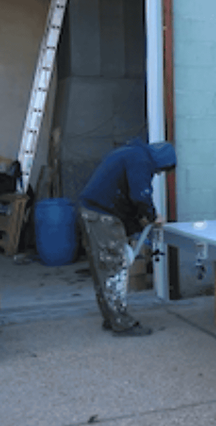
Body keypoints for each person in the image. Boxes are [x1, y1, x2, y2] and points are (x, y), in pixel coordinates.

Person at [77, 139, 176, 337]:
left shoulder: (132, 152)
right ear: (161, 162)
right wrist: (152, 216)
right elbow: (141, 194)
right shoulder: (141, 159)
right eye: (160, 171)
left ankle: (111, 317)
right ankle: (122, 323)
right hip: (102, 215)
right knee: (115, 267)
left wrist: (139, 221)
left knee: (103, 268)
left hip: (91, 210)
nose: (156, 174)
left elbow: (127, 195)